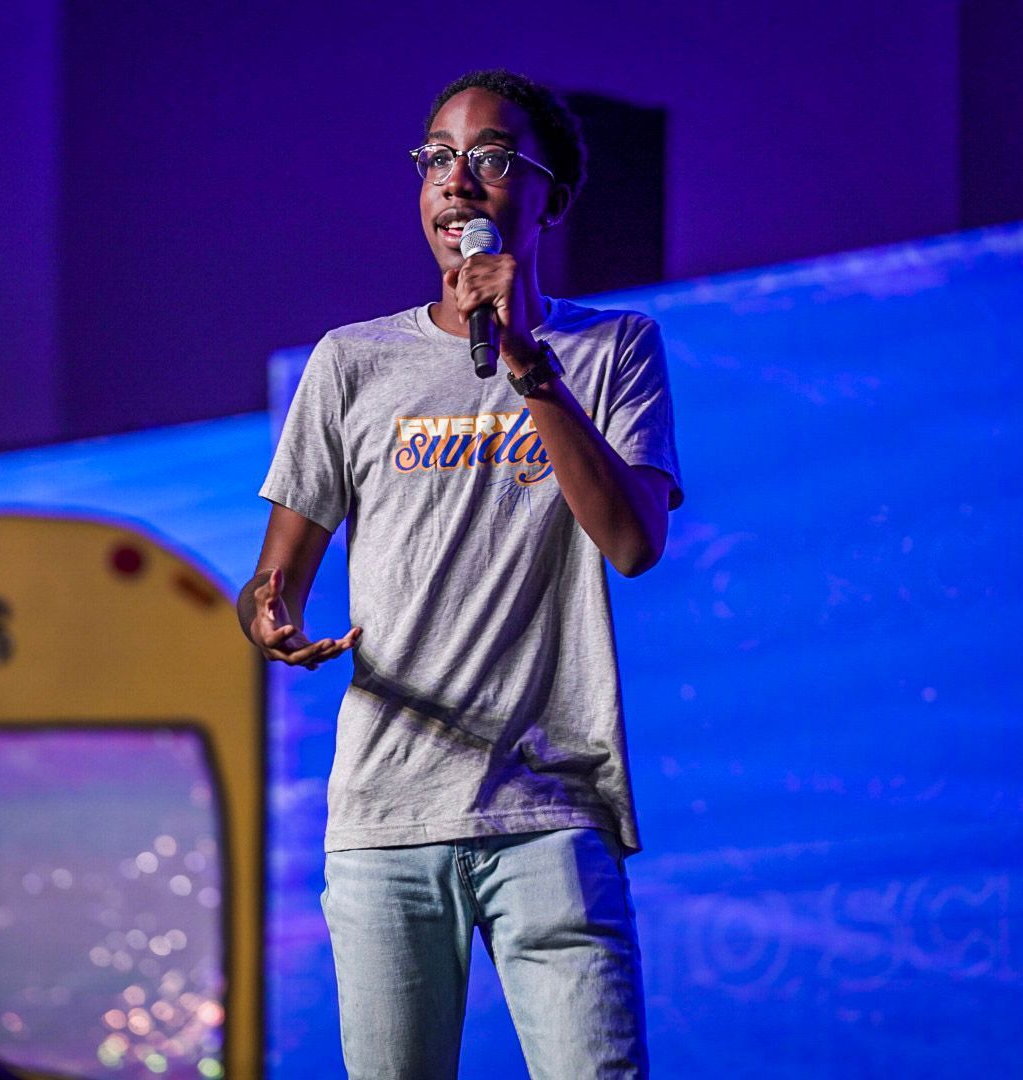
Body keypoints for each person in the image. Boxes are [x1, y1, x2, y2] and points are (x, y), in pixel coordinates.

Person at [236, 69, 682, 1079]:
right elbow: (272, 584)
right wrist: (265, 616)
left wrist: (529, 367)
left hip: (549, 812)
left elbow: (631, 541)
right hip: (386, 815)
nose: (457, 182)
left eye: (488, 158)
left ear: (547, 193)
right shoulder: (350, 362)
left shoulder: (610, 350)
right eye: (437, 158)